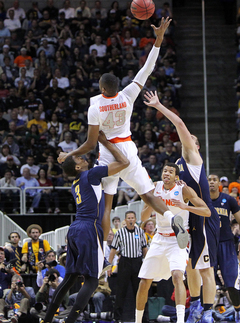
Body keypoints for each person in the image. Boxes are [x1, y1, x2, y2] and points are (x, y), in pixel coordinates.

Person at [57, 17, 188, 250]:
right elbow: (146, 69)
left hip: (109, 152)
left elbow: (90, 144)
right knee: (147, 194)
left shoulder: (95, 108)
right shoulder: (127, 95)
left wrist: (69, 154)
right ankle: (171, 218)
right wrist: (158, 39)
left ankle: (102, 250)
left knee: (107, 204)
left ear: (102, 89)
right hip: (128, 146)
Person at [143, 91, 220, 323]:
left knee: (206, 268)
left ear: (195, 145)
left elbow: (178, 123)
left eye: (191, 139)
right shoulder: (177, 166)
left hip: (203, 217)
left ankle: (207, 310)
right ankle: (195, 305)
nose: (186, 139)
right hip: (185, 222)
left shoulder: (194, 160)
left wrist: (158, 105)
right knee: (190, 267)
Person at [40, 131, 130, 323]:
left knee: (70, 278)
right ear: (79, 166)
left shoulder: (75, 183)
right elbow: (124, 162)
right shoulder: (91, 174)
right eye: (80, 158)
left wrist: (69, 158)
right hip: (89, 228)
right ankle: (70, 320)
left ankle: (47, 319)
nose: (82, 157)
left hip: (74, 229)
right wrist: (105, 142)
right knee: (91, 280)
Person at [135, 163, 211, 323]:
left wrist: (185, 207)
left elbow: (207, 211)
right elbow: (143, 217)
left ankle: (181, 320)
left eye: (170, 172)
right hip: (159, 237)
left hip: (178, 238)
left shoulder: (183, 190)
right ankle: (138, 320)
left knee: (177, 276)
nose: (167, 174)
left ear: (176, 176)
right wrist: (150, 203)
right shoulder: (155, 188)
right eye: (164, 171)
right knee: (144, 281)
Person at [208, 174, 240, 322]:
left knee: (231, 283)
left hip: (227, 243)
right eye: (209, 180)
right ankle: (205, 314)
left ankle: (238, 311)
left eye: (214, 180)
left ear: (219, 183)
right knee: (207, 283)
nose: (212, 182)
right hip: (209, 244)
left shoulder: (229, 200)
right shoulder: (202, 201)